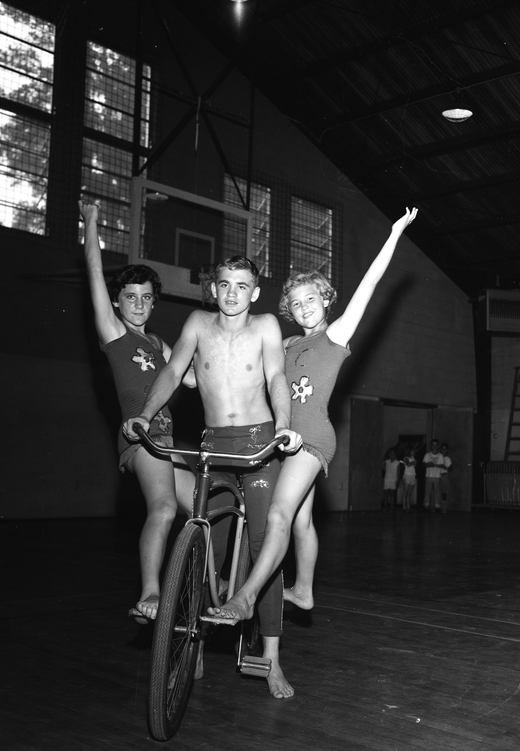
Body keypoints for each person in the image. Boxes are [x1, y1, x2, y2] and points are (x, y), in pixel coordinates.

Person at [207, 207, 418, 626]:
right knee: (301, 521)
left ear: (326, 299)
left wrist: (394, 234)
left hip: (313, 437)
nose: (304, 307)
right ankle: (303, 590)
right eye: (295, 302)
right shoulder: (283, 345)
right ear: (287, 308)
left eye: (312, 299)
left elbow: (370, 284)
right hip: (279, 437)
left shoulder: (335, 337)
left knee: (279, 515)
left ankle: (247, 596)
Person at [123, 255, 302, 699]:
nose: (232, 293)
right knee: (207, 547)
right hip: (214, 445)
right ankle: (192, 643)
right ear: (214, 289)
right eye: (225, 285)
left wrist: (283, 423)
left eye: (242, 286)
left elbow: (277, 375)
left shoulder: (265, 327)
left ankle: (272, 660)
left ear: (254, 292)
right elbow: (171, 370)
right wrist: (145, 414)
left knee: (264, 545)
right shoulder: (198, 323)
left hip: (259, 442)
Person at [79, 200, 196, 626]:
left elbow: (193, 380)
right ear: (118, 301)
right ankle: (150, 590)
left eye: (147, 298)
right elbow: (94, 272)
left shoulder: (161, 346)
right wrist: (91, 222)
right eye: (130, 297)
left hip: (165, 443)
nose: (139, 304)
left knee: (210, 506)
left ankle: (201, 605)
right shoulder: (114, 334)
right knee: (163, 509)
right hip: (140, 438)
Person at [423, 438, 444, 511]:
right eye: (433, 445)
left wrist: (433, 465)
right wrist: (429, 464)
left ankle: (437, 506)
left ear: (438, 446)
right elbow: (424, 464)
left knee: (437, 491)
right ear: (431, 446)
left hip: (437, 476)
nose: (434, 447)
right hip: (429, 475)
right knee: (427, 491)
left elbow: (442, 465)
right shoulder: (427, 455)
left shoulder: (440, 455)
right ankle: (426, 505)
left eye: (436, 445)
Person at [439, 443, 452, 512]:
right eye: (442, 449)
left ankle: (444, 508)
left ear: (447, 450)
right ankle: (437, 507)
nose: (443, 450)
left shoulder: (447, 459)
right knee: (438, 492)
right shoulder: (438, 457)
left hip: (444, 476)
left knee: (444, 493)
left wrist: (446, 466)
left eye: (445, 449)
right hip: (437, 475)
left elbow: (450, 469)